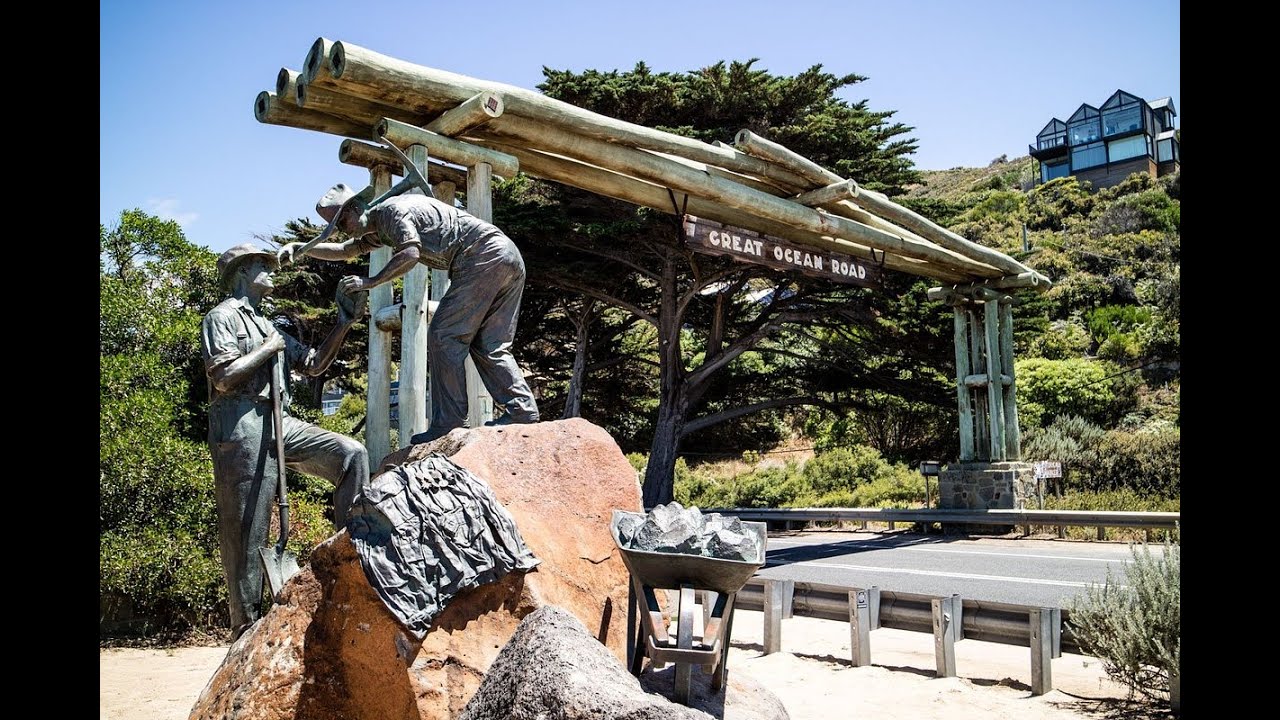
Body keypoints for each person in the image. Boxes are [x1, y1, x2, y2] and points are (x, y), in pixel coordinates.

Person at [278, 184, 540, 444]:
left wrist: (371, 281)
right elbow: (346, 251)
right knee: (489, 344)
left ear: (356, 208)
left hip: (481, 255)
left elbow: (411, 252)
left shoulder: (393, 211)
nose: (342, 229)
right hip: (506, 255)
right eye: (337, 226)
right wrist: (301, 248)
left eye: (342, 221)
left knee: (443, 336)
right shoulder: (380, 227)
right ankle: (522, 410)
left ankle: (449, 422)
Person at [201, 243, 369, 639]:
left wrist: (344, 320)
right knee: (247, 529)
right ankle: (245, 628)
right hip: (241, 421)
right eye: (263, 265)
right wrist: (267, 348)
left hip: (280, 419)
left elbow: (312, 364)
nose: (272, 270)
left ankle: (354, 561)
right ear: (242, 272)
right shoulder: (221, 317)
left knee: (351, 455)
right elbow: (223, 378)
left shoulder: (267, 323)